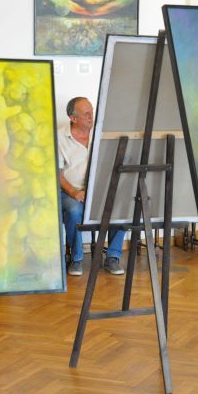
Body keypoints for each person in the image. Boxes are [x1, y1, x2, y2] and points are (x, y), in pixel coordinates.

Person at [58, 96, 125, 276]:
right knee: (73, 211)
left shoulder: (102, 134)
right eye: (86, 113)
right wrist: (74, 192)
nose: (91, 116)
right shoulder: (59, 137)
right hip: (71, 191)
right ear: (73, 118)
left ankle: (113, 257)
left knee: (121, 206)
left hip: (99, 190)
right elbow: (57, 173)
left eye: (92, 112)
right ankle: (77, 258)